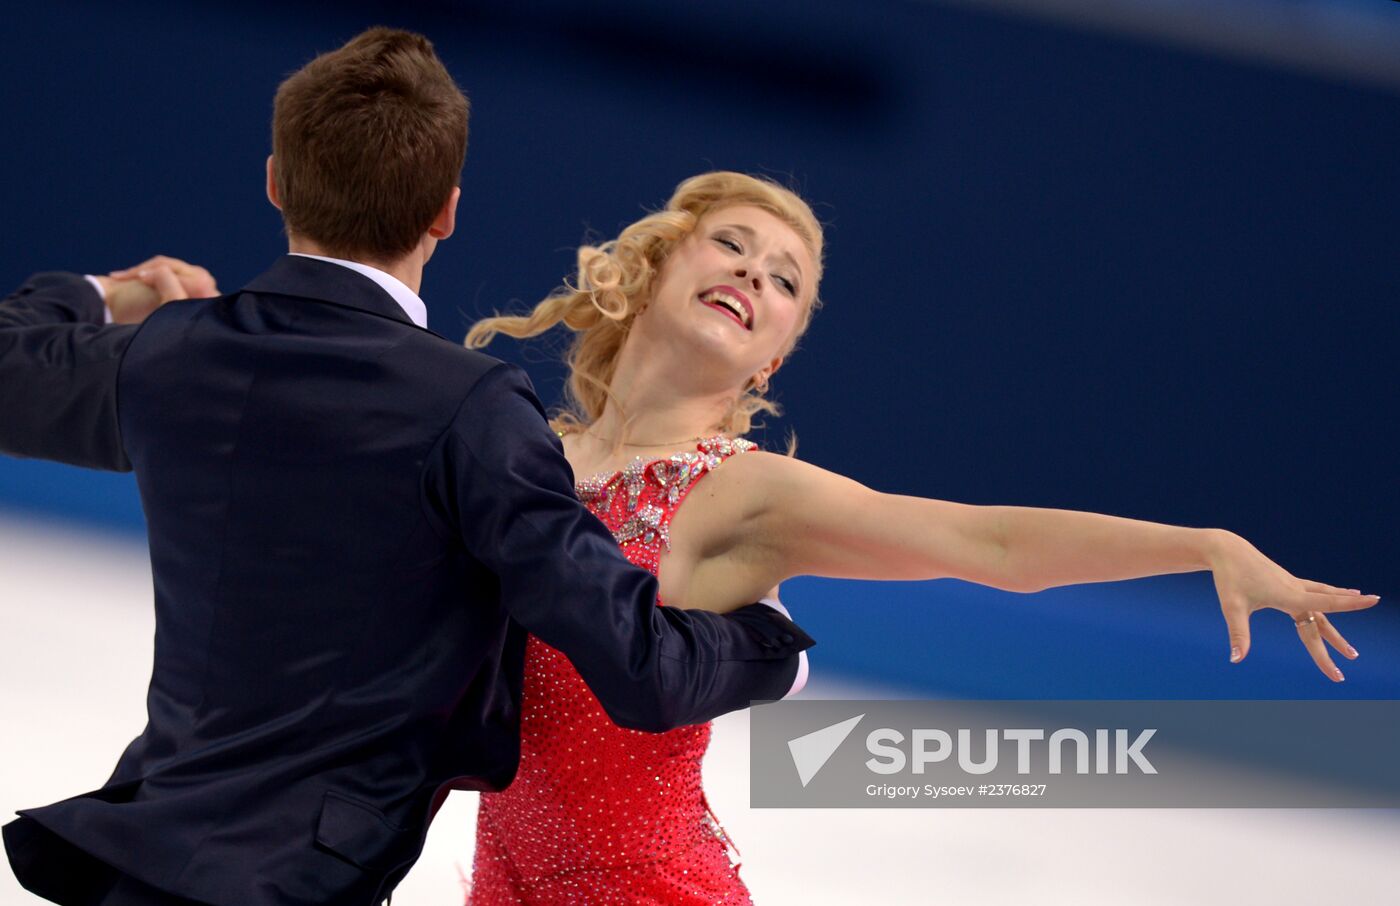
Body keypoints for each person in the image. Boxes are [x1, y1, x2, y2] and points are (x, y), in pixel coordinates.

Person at [0, 34, 814, 906]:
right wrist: (769, 647)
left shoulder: (175, 354)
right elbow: (642, 669)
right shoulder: (470, 409)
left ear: (276, 180)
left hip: (137, 865)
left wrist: (100, 292)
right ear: (447, 212)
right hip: (303, 884)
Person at [461, 170, 1380, 903]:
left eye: (784, 279)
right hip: (501, 888)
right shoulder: (531, 453)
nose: (753, 273)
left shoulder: (747, 494)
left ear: (773, 356)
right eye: (731, 246)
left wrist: (1204, 543)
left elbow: (995, 548)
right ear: (657, 269)